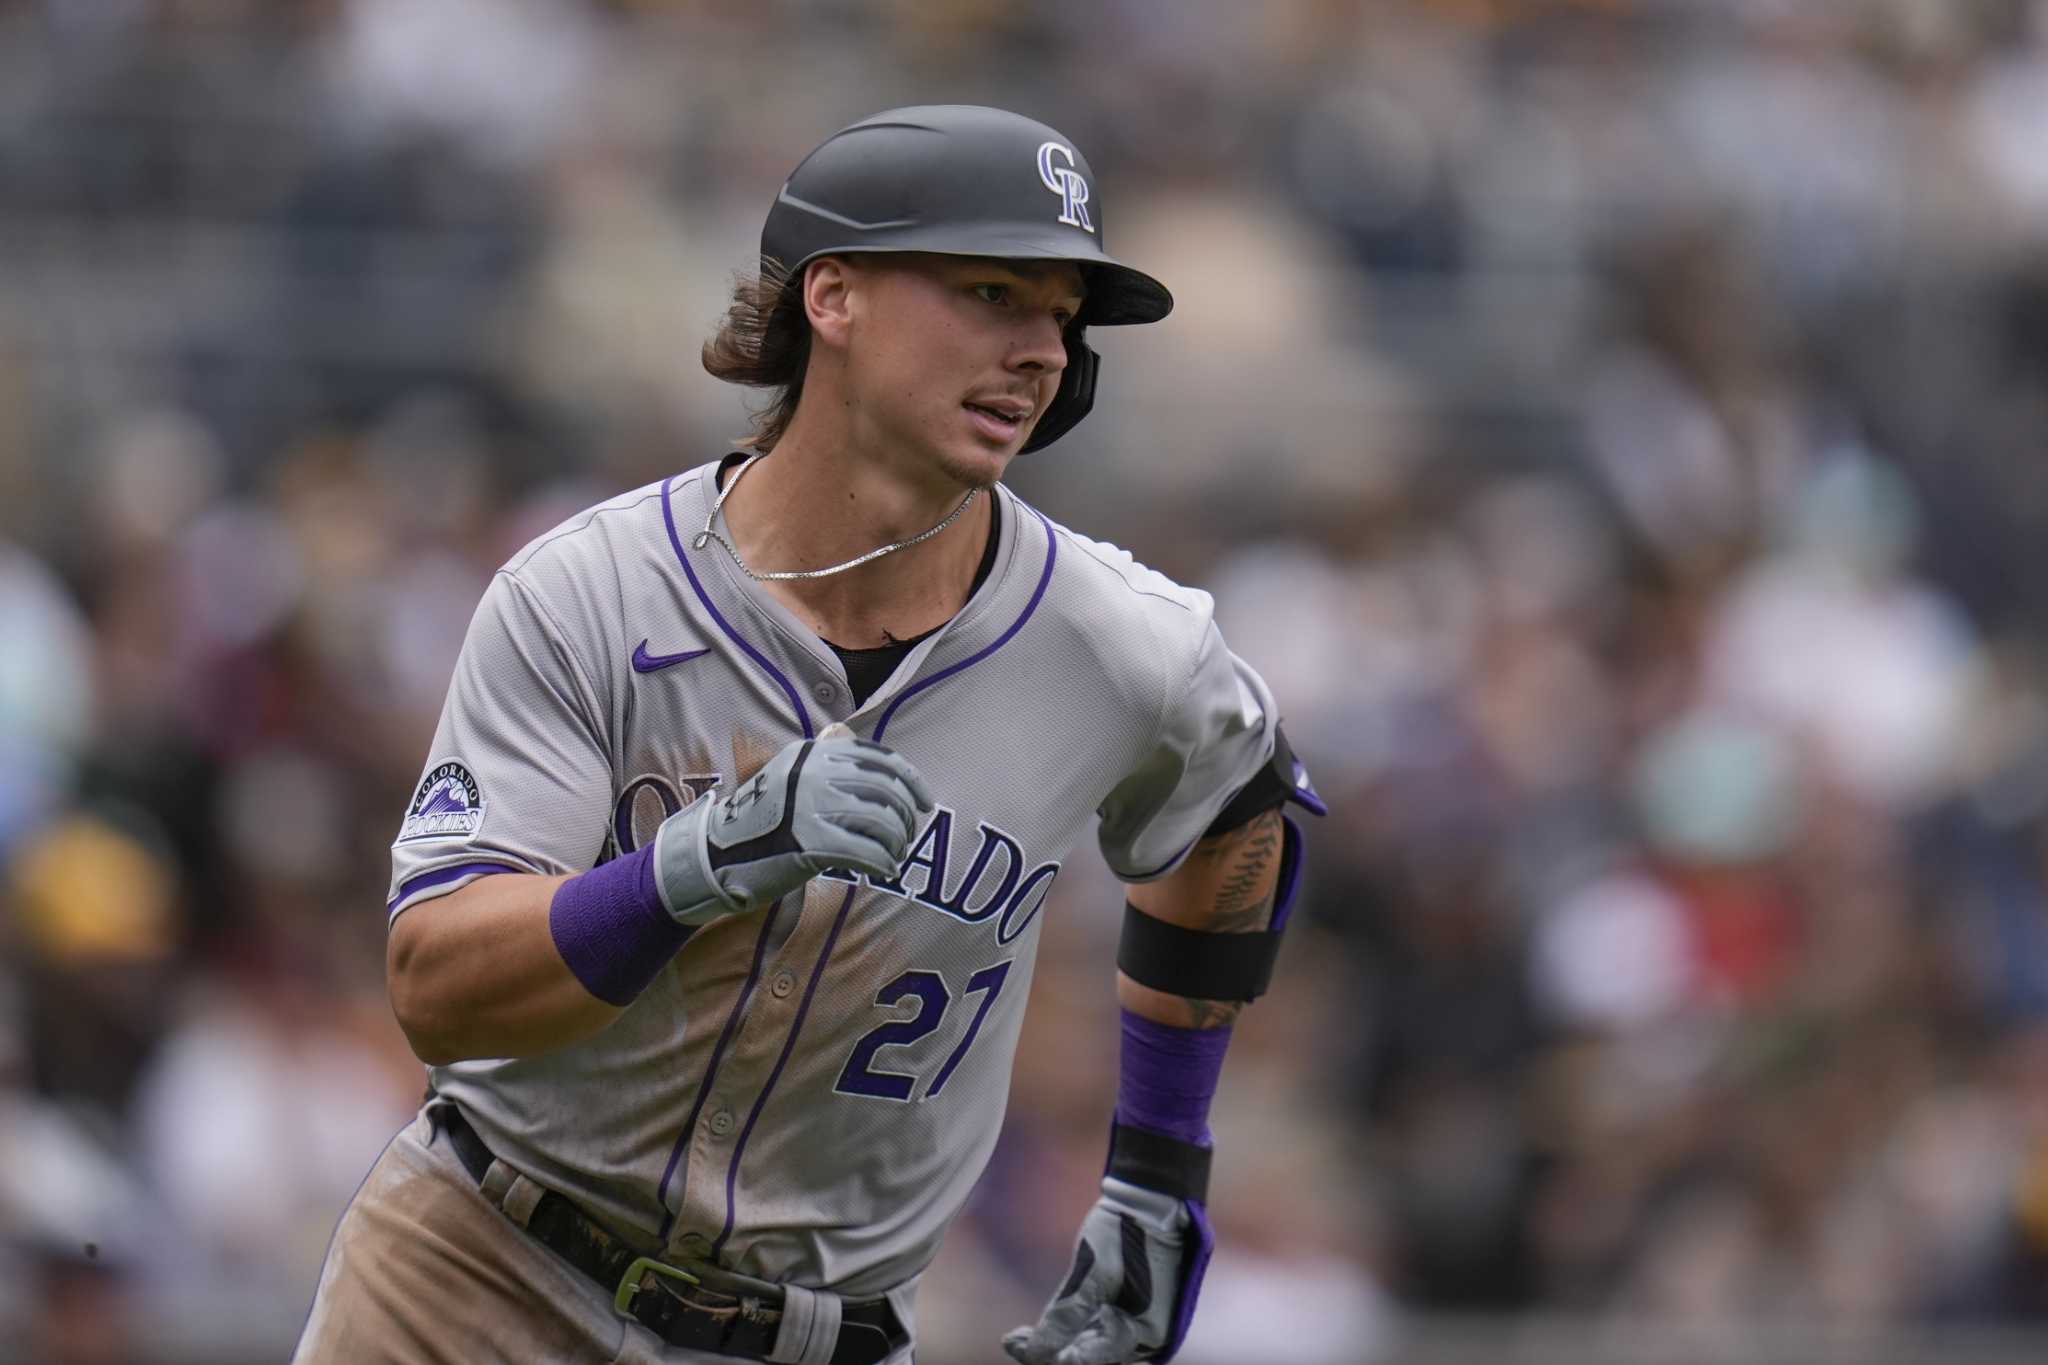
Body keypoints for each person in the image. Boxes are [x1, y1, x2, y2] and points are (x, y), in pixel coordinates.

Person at [293, 104, 1322, 1365]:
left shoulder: (1121, 645)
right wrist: (693, 866)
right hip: (476, 1280)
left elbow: (1236, 816)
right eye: (992, 292)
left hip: (815, 1337)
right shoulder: (591, 594)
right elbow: (438, 987)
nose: (1041, 352)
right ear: (831, 297)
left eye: (1062, 316)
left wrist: (1155, 1175)